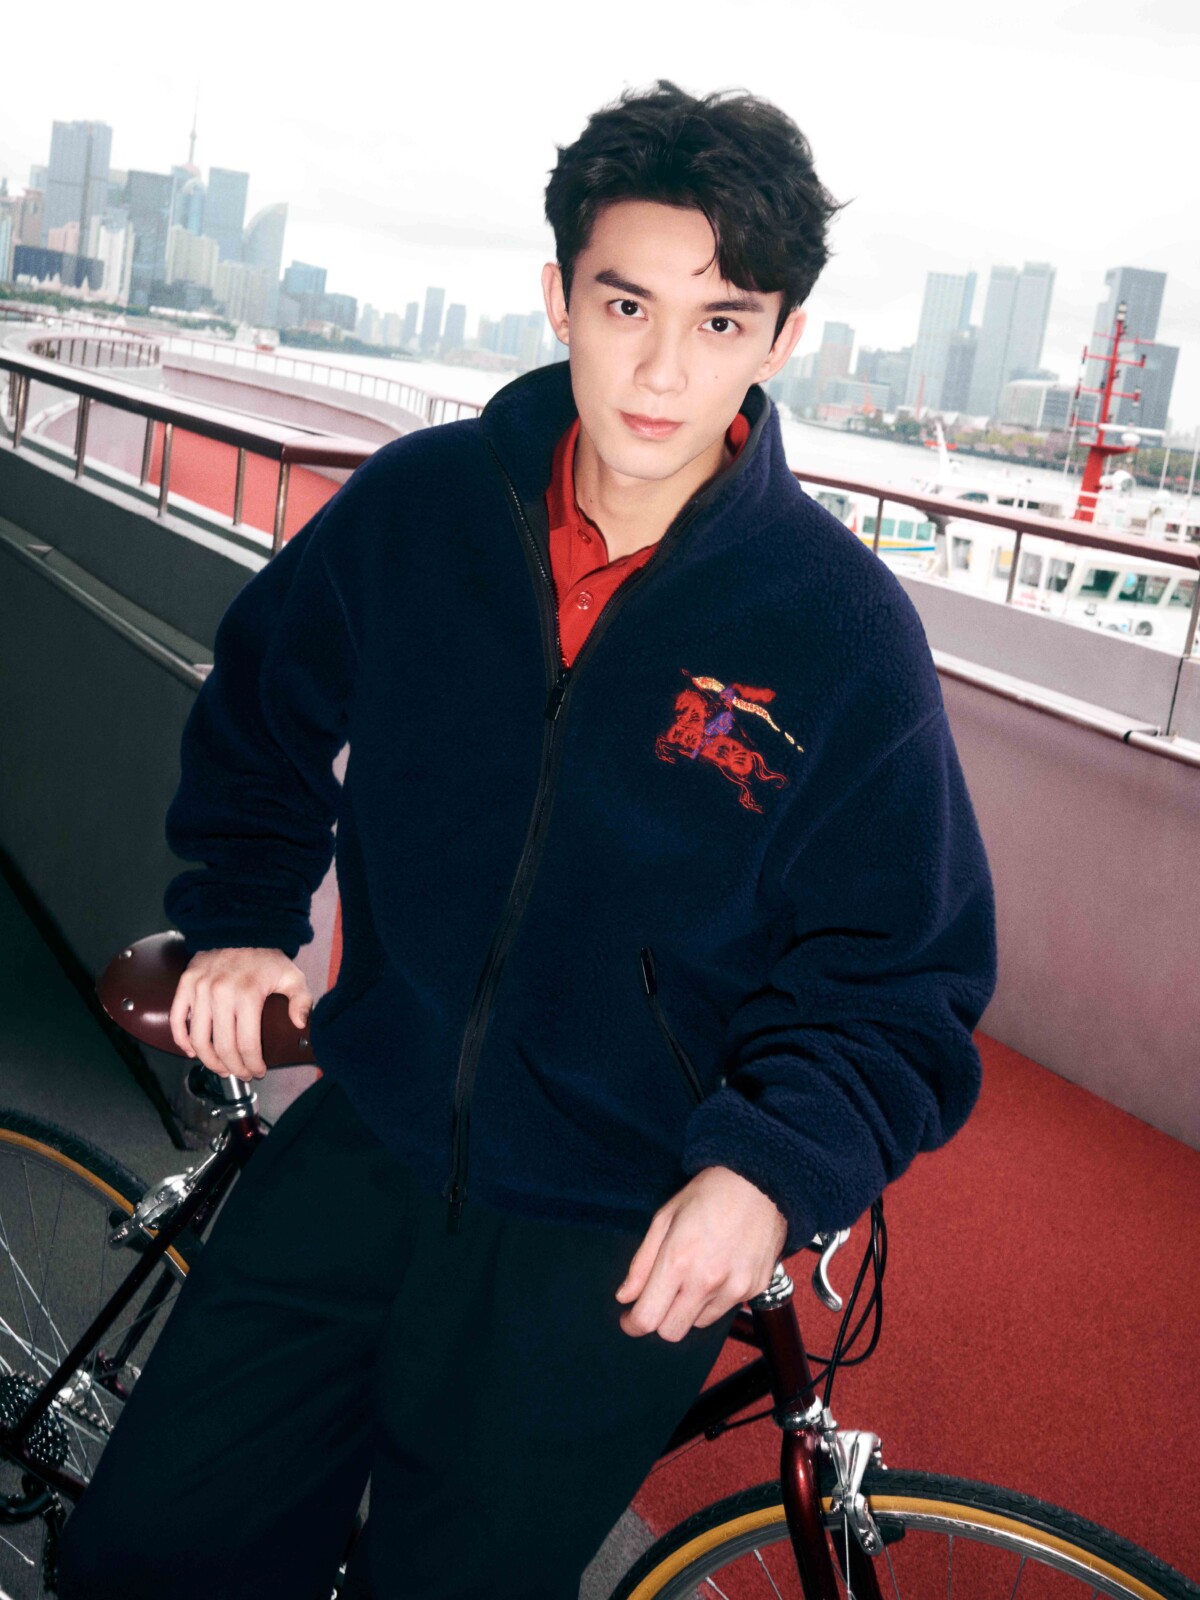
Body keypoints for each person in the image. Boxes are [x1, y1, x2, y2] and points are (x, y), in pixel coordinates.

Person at [57, 79, 997, 1599]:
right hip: (366, 1130)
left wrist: (768, 1171)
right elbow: (263, 707)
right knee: (154, 1560)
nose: (663, 369)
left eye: (721, 320)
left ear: (780, 340)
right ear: (560, 296)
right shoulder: (426, 506)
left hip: (608, 1233)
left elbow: (901, 977)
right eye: (627, 304)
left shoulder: (838, 629)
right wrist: (240, 915)